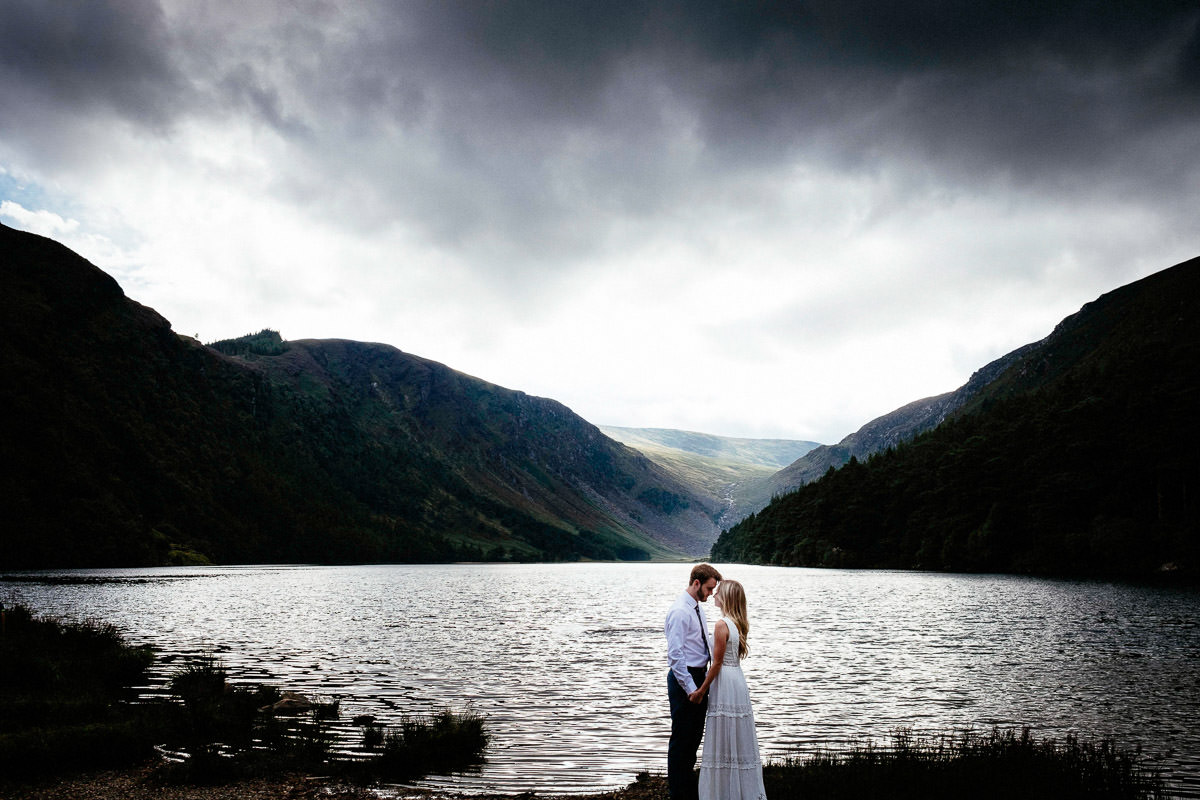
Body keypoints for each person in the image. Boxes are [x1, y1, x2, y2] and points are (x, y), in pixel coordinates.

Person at [692, 579, 767, 800]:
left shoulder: (721, 624)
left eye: (718, 592)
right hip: (737, 680)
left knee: (723, 734)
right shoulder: (737, 623)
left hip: (724, 680)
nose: (714, 595)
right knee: (735, 733)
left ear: (726, 598)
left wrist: (701, 690)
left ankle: (722, 792)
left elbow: (716, 663)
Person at [665, 563, 722, 800]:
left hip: (699, 676)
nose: (711, 593)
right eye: (709, 588)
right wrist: (692, 689)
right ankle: (678, 793)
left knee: (694, 737)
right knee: (682, 737)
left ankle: (687, 788)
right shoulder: (680, 611)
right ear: (696, 583)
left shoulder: (697, 607)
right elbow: (675, 656)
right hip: (685, 679)